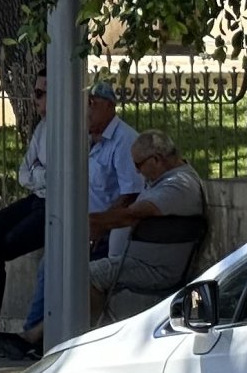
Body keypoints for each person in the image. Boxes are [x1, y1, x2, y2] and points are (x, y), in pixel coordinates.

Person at [0, 81, 144, 359]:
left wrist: (100, 227)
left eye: (92, 103)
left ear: (109, 106)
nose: (87, 110)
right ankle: (30, 337)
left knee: (53, 266)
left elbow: (130, 195)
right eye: (85, 103)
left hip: (106, 233)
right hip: (83, 229)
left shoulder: (123, 140)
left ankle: (30, 337)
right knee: (47, 264)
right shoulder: (88, 140)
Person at [85, 130, 204, 319]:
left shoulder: (180, 184)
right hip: (135, 260)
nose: (136, 170)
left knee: (87, 276)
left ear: (156, 159)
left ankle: (95, 336)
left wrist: (93, 222)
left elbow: (134, 214)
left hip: (153, 269)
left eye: (138, 164)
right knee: (72, 273)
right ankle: (36, 333)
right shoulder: (164, 180)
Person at [0, 70, 48, 347]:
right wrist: (41, 174)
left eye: (41, 94)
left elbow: (61, 178)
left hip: (53, 205)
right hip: (37, 198)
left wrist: (39, 173)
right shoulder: (42, 127)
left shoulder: (69, 128)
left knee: (0, 246)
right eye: (35, 92)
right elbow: (23, 173)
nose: (35, 99)